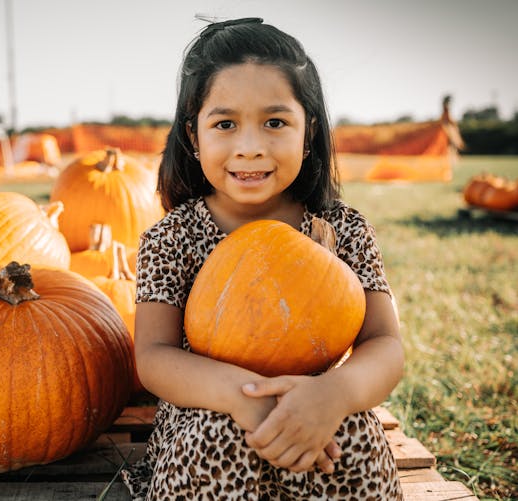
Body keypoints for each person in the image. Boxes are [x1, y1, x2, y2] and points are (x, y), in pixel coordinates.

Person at [122, 17, 405, 500]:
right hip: (209, 409)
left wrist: (334, 396)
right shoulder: (173, 237)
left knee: (355, 436)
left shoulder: (344, 231)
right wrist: (241, 397)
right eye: (225, 124)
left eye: (275, 122)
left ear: (309, 130)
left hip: (314, 408)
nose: (249, 147)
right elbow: (153, 357)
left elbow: (386, 345)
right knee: (217, 436)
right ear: (193, 135)